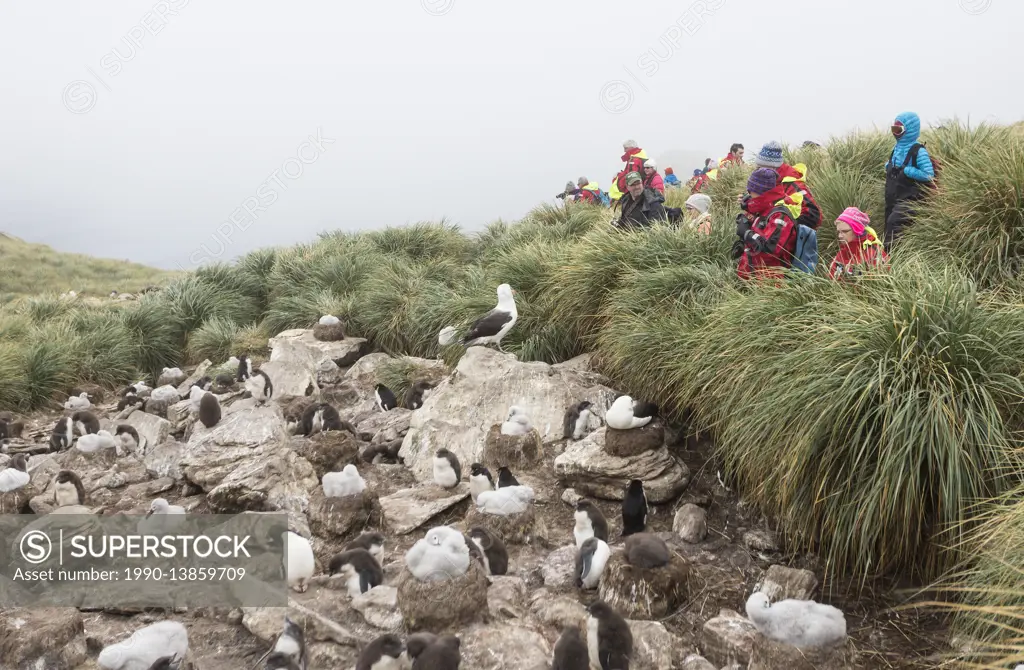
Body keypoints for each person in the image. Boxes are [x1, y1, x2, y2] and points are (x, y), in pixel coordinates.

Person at [735, 168, 799, 280]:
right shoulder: (765, 210)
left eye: (750, 191)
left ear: (761, 192)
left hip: (770, 284)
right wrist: (748, 211)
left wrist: (747, 233)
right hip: (754, 278)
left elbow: (770, 248)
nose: (748, 194)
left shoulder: (779, 216)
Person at [884, 111, 935, 251]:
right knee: (888, 225)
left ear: (910, 129)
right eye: (893, 129)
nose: (895, 133)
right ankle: (888, 259)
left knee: (893, 224)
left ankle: (890, 259)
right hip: (892, 198)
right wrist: (889, 167)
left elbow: (929, 174)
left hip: (910, 200)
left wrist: (908, 171)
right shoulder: (896, 149)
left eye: (898, 129)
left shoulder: (918, 151)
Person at [754, 140, 822, 230]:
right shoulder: (767, 182)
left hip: (785, 242)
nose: (756, 172)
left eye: (759, 168)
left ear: (773, 167)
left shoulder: (793, 184)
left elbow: (813, 215)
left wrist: (783, 228)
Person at [830, 207, 888, 280]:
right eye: (839, 232)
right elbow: (831, 278)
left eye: (845, 231)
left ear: (857, 230)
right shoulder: (842, 252)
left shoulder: (873, 253)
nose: (840, 236)